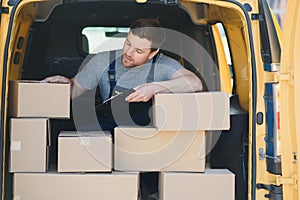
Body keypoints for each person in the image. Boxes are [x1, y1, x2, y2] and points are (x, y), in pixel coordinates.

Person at [43, 18, 203, 200]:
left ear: (152, 53)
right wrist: (64, 84)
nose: (128, 52)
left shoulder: (163, 65)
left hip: (144, 142)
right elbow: (75, 90)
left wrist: (155, 87)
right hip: (108, 137)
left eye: (138, 51)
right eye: (128, 43)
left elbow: (194, 83)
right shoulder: (102, 61)